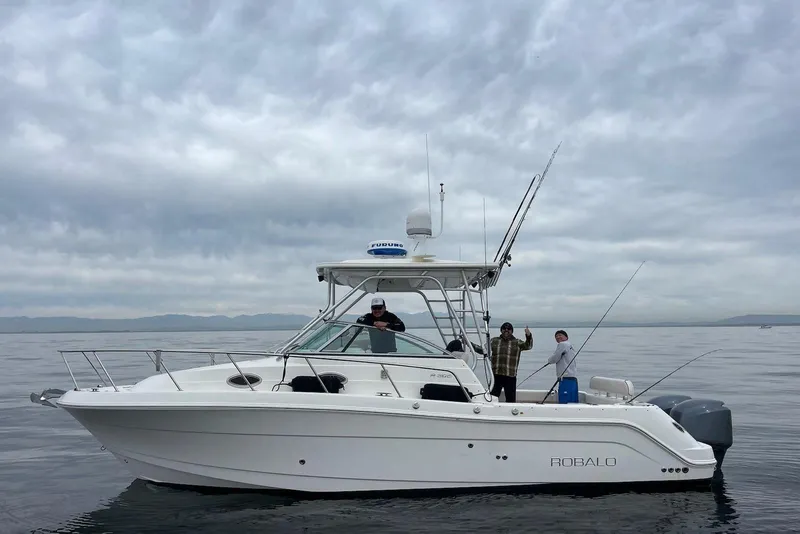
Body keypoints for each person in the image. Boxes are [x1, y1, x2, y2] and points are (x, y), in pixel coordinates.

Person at [488, 322, 533, 403]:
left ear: (512, 331)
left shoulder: (517, 342)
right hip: (496, 375)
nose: (506, 330)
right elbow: (483, 350)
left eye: (509, 329)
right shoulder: (494, 341)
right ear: (501, 330)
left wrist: (528, 336)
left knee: (511, 400)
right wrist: (469, 344)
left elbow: (528, 346)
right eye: (504, 328)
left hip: (510, 376)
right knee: (491, 398)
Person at [548, 329, 578, 404]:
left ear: (566, 337)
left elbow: (555, 358)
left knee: (565, 402)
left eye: (560, 335)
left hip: (565, 378)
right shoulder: (570, 346)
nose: (558, 337)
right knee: (572, 401)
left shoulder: (562, 344)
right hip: (573, 378)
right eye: (556, 336)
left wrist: (549, 361)